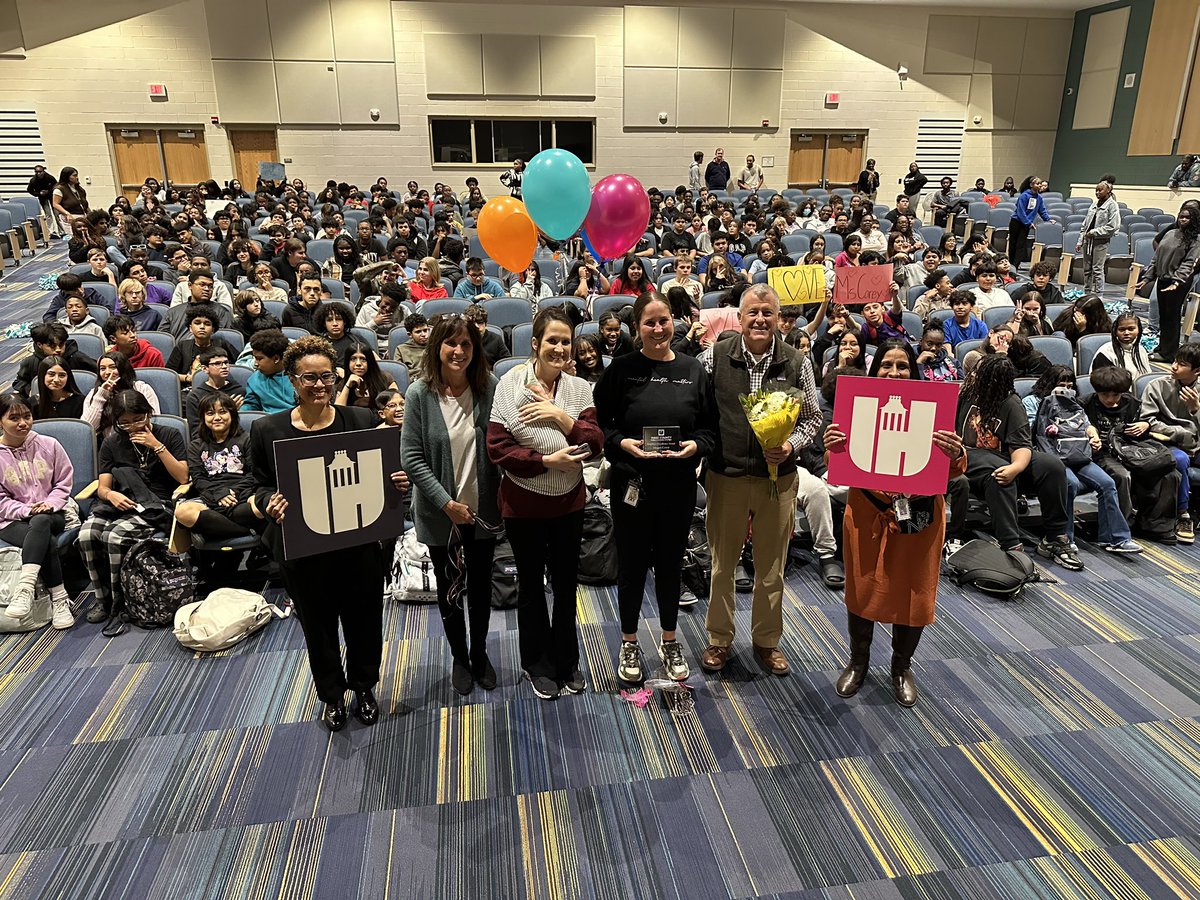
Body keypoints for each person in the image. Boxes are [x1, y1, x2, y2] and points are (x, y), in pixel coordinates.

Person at [249, 335, 405, 730]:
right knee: (318, 629)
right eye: (308, 378)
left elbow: (384, 477)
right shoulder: (269, 429)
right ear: (291, 379)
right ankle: (332, 696)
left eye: (326, 377)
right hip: (304, 549)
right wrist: (269, 501)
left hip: (359, 545)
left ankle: (365, 686)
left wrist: (397, 483)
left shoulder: (362, 420)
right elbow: (260, 483)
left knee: (365, 622)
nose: (319, 385)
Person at [824, 340, 966, 706]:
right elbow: (840, 461)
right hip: (868, 513)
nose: (894, 372)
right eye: (887, 365)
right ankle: (858, 661)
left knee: (913, 593)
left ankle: (902, 666)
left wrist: (955, 452)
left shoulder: (932, 411)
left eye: (903, 366)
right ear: (875, 370)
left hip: (919, 516)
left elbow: (952, 467)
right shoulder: (858, 408)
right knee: (862, 587)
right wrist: (833, 443)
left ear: (913, 371)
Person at [697, 284, 825, 675]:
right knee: (722, 565)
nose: (759, 319)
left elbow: (814, 419)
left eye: (767, 313)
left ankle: (767, 642)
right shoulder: (713, 358)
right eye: (752, 312)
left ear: (778, 317)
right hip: (727, 476)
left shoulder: (796, 362)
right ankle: (719, 639)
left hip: (779, 480)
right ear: (739, 316)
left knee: (772, 568)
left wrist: (791, 446)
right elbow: (698, 413)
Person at [593, 291, 716, 683]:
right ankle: (628, 641)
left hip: (677, 486)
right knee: (630, 568)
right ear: (637, 328)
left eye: (664, 320)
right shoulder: (621, 369)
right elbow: (599, 423)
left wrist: (697, 445)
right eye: (650, 322)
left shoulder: (693, 369)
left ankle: (669, 639)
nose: (658, 328)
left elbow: (710, 428)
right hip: (632, 485)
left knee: (669, 567)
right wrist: (619, 443)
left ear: (673, 323)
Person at [486, 307, 604, 699]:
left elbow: (595, 443)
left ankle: (566, 660)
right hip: (523, 505)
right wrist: (545, 461)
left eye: (565, 341)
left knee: (567, 586)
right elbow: (498, 448)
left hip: (568, 503)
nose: (559, 347)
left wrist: (560, 417)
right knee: (532, 587)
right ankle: (537, 663)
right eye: (551, 340)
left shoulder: (578, 389)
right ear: (535, 344)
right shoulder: (509, 385)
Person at [401, 314, 501, 695]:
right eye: (450, 344)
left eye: (466, 345)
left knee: (479, 587)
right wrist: (446, 503)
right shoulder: (419, 394)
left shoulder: (488, 387)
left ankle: (480, 652)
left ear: (475, 351)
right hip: (440, 514)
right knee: (449, 589)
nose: (458, 351)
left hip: (482, 511)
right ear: (436, 348)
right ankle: (459, 656)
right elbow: (411, 458)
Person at [958, 355, 1082, 569]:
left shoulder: (1011, 403)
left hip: (1004, 457)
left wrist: (1015, 468)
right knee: (999, 473)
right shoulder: (966, 393)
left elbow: (1022, 446)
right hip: (967, 454)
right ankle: (1010, 544)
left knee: (1051, 466)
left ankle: (1054, 537)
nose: (975, 376)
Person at [79, 390, 189, 627]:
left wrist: (157, 446)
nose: (133, 426)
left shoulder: (168, 434)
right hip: (119, 501)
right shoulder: (111, 442)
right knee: (87, 535)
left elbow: (182, 477)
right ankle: (102, 599)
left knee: (114, 537)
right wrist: (110, 494)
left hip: (155, 504)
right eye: (125, 423)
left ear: (149, 413)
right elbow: (103, 486)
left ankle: (123, 601)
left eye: (139, 419)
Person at [1025, 365, 1142, 554]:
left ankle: (1115, 538)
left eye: (1069, 385)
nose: (1065, 389)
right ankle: (1064, 538)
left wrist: (1093, 436)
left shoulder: (1074, 404)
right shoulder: (1037, 402)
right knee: (1068, 483)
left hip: (1078, 455)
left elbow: (1086, 424)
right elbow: (1035, 431)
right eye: (1060, 384)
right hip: (1054, 458)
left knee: (1108, 483)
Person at [0, 393, 76, 628]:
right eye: (14, 418)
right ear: (0, 421)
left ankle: (25, 587)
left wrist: (49, 504)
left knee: (42, 521)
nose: (23, 422)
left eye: (27, 416)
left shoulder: (49, 444)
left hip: (53, 513)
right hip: (11, 519)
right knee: (46, 540)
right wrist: (25, 510)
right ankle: (60, 598)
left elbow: (63, 483)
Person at [1085, 365, 1178, 544]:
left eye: (1116, 395)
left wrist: (1146, 425)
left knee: (1169, 473)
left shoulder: (1133, 404)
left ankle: (1155, 525)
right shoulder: (1086, 404)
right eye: (1105, 395)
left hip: (1133, 450)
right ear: (1097, 392)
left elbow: (1148, 426)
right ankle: (1120, 528)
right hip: (1103, 453)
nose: (1110, 400)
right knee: (1122, 475)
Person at [174, 392, 259, 540]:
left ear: (232, 415)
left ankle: (218, 527)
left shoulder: (247, 439)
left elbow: (254, 474)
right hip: (211, 497)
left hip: (241, 495)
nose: (217, 417)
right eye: (210, 413)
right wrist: (219, 494)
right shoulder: (196, 445)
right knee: (183, 513)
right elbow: (198, 479)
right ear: (203, 418)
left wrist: (232, 492)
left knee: (261, 508)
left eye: (223, 412)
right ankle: (246, 531)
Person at [1140, 343, 1200, 543]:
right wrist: (1181, 433)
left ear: (1197, 371)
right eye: (1174, 361)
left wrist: (1195, 410)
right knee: (1180, 460)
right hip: (1166, 442)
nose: (1173, 366)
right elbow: (1148, 421)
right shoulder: (1157, 386)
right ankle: (1183, 514)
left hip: (1197, 444)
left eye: (1181, 364)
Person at [1140, 204, 1200, 363]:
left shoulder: (1195, 239)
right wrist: (1147, 278)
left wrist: (1177, 281)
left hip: (1178, 283)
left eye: (1187, 217)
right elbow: (1156, 258)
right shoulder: (1170, 233)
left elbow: (1189, 263)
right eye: (1181, 217)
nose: (1184, 220)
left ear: (1193, 220)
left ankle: (1169, 353)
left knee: (1172, 317)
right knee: (1163, 316)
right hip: (1163, 279)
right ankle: (1162, 348)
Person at [185, 347, 245, 432]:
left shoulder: (239, 393)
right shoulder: (195, 397)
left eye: (226, 363)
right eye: (217, 363)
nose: (224, 366)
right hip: (207, 442)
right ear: (205, 369)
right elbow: (196, 432)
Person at [1077, 179, 1121, 294]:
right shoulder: (1094, 204)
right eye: (1096, 190)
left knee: (1097, 269)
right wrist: (1080, 240)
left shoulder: (1112, 205)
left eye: (1100, 190)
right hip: (1088, 241)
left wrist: (1095, 232)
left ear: (1108, 191)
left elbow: (1113, 226)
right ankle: (1086, 292)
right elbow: (1085, 224)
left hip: (1101, 242)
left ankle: (1099, 294)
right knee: (1087, 269)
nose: (1097, 193)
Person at [243, 329, 295, 414]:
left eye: (259, 359)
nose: (255, 364)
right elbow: (251, 405)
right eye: (254, 358)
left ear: (276, 359)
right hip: (267, 423)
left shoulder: (299, 377)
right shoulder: (255, 378)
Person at [336, 342, 397, 411]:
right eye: (353, 359)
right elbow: (338, 412)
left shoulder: (385, 378)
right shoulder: (344, 382)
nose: (358, 363)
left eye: (363, 359)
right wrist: (348, 386)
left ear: (370, 362)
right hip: (354, 420)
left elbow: (396, 405)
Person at [1091, 312, 1152, 378]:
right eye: (1122, 329)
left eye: (1131, 329)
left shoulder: (1141, 350)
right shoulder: (1105, 354)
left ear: (1138, 330)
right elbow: (1104, 383)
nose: (1126, 333)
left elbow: (1147, 377)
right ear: (1115, 331)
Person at [1009, 176, 1051, 269]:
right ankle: (1010, 263)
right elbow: (1021, 211)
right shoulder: (1024, 196)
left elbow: (1042, 210)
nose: (1040, 185)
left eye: (1040, 184)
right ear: (1031, 185)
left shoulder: (1039, 198)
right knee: (1013, 244)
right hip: (1016, 222)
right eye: (1037, 184)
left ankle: (1015, 266)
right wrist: (1028, 223)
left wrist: (1048, 219)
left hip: (1026, 224)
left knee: (1021, 245)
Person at [32, 355, 85, 420]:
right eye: (51, 374)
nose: (56, 380)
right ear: (42, 376)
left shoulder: (80, 402)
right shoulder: (32, 403)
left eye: (62, 375)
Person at [51, 167, 88, 232]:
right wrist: (67, 214)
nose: (77, 177)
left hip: (83, 217)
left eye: (77, 175)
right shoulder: (59, 189)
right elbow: (55, 204)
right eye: (74, 175)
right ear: (67, 177)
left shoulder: (79, 189)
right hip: (70, 217)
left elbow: (85, 204)